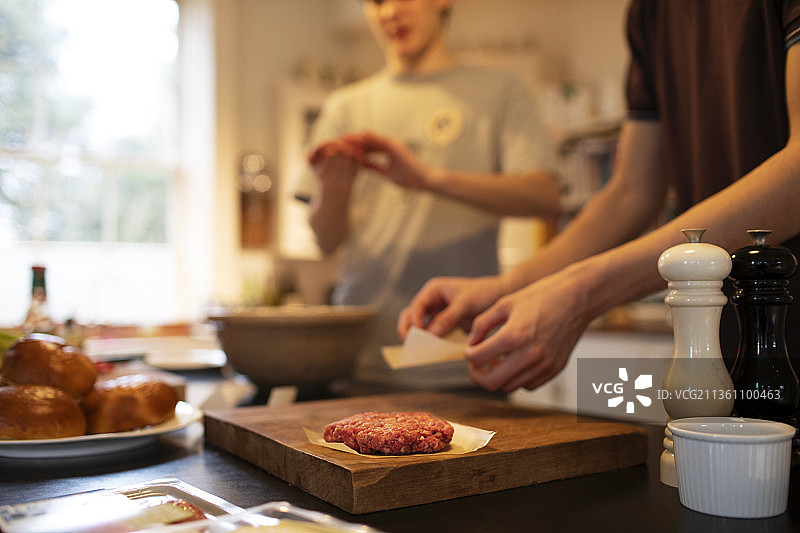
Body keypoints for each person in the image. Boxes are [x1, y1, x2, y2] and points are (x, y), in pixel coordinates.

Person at [399, 0, 800, 393]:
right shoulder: (651, 11)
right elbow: (631, 192)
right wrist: (508, 287)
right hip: (719, 342)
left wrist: (583, 292)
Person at [294, 0, 560, 392]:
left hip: (464, 357)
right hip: (358, 362)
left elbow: (545, 197)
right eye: (376, 2)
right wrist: (335, 189)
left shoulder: (501, 91)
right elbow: (325, 240)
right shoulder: (344, 107)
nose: (389, 13)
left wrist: (430, 179)